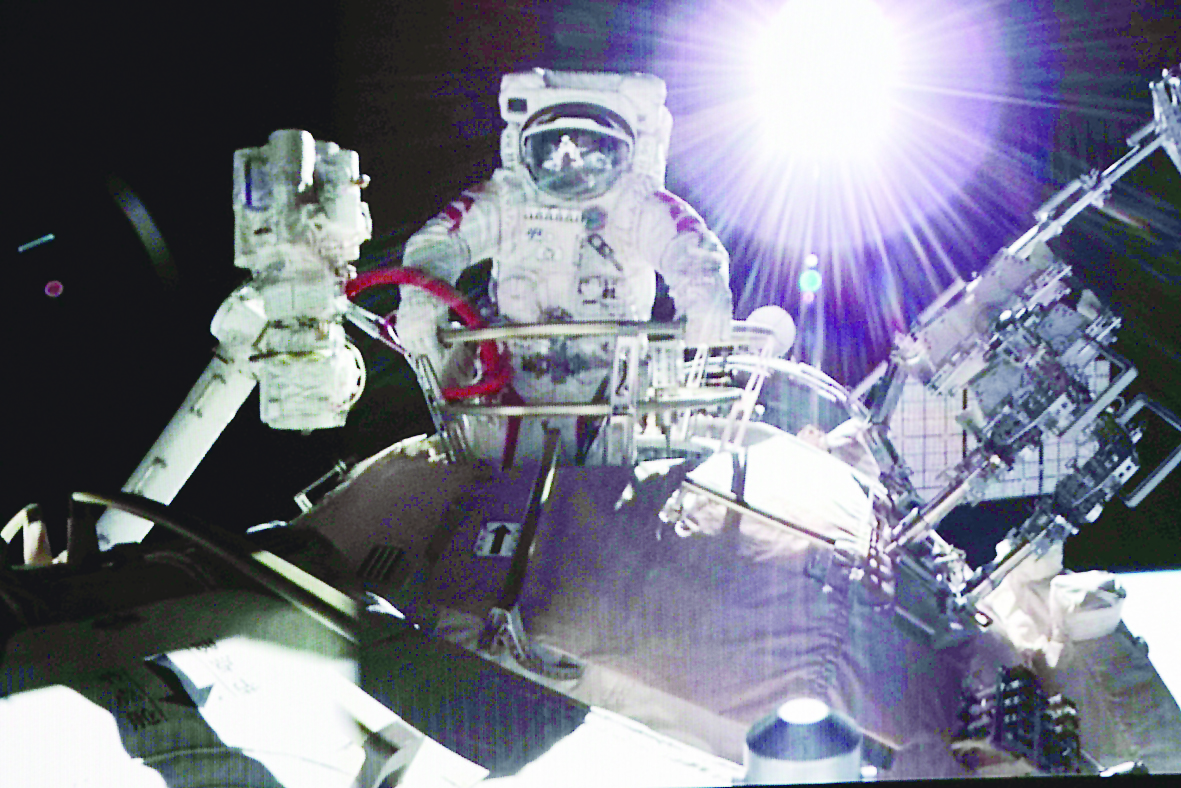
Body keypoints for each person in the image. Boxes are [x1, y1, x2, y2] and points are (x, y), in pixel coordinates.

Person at [396, 69, 733, 465]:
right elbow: (439, 242)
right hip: (511, 393)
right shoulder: (509, 201)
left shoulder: (633, 205)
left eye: (589, 150)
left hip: (610, 398)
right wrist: (421, 301)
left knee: (603, 486)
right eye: (555, 148)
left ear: (623, 153)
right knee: (495, 484)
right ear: (527, 150)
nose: (570, 162)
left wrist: (703, 294)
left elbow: (688, 244)